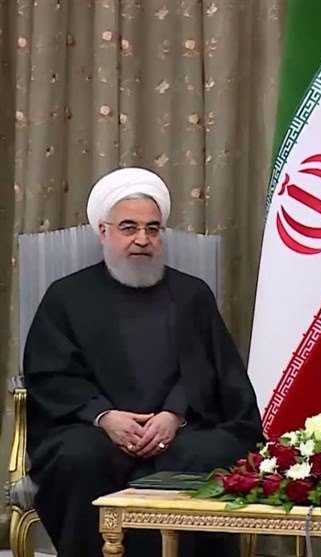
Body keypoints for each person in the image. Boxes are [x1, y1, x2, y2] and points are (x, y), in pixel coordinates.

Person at [25, 167, 264, 557]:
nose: (142, 239)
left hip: (183, 430)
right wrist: (104, 416)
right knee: (77, 458)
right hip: (93, 430)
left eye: (152, 229)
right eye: (129, 228)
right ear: (103, 231)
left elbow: (212, 369)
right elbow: (51, 374)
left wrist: (174, 415)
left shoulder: (191, 294)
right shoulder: (67, 296)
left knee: (208, 455)